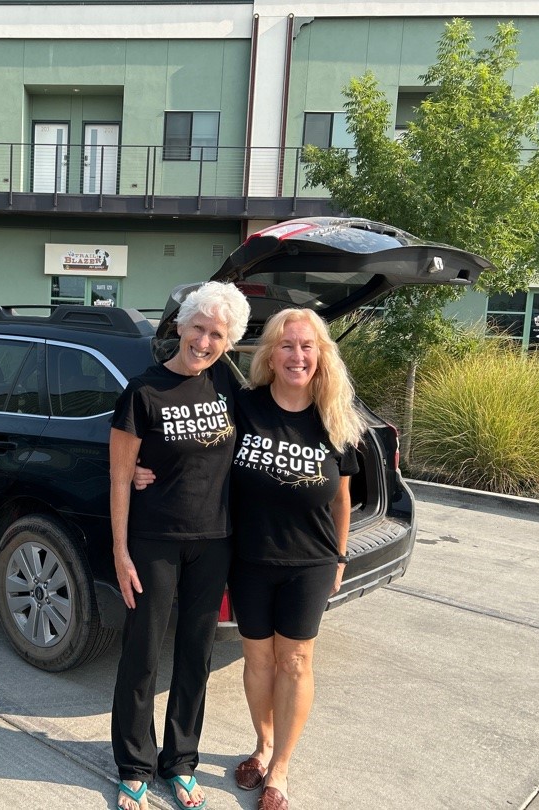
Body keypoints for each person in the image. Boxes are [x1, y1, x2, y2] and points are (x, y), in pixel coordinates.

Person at [110, 281, 250, 810]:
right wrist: (121, 553)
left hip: (214, 543)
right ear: (180, 326)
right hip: (154, 543)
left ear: (228, 340)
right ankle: (133, 765)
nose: (205, 341)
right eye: (198, 327)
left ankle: (181, 761)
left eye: (217, 333)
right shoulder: (142, 392)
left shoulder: (226, 387)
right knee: (142, 655)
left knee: (195, 656)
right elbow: (120, 477)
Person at [228, 307, 365, 810]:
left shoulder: (334, 417)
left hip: (309, 562)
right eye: (287, 345)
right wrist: (142, 471)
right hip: (249, 558)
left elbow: (340, 499)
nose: (297, 356)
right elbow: (195, 448)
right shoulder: (245, 407)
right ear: (271, 353)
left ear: (321, 355)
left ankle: (280, 769)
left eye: (307, 346)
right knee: (258, 659)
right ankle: (261, 746)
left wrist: (340, 557)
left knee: (296, 660)